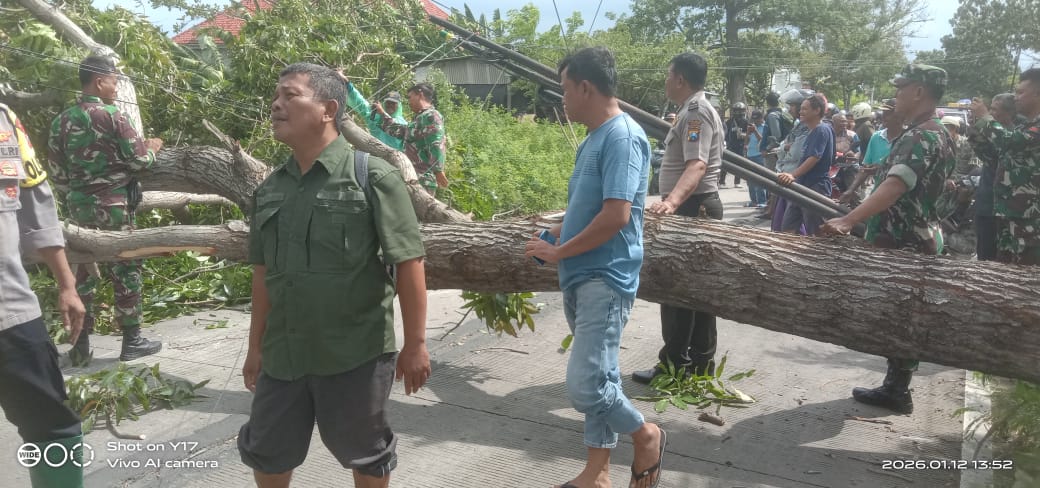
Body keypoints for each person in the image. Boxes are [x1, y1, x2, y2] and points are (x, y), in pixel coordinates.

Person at [238, 63, 430, 488]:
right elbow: (263, 273)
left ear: (328, 109)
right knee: (267, 453)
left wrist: (415, 344)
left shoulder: (373, 176)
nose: (276, 104)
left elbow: (409, 261)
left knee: (367, 455)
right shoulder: (271, 189)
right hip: (283, 355)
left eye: (290, 95)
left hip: (354, 356)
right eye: (276, 96)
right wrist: (255, 346)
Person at [524, 47, 665, 488]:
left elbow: (617, 215)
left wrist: (559, 252)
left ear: (585, 87)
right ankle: (597, 473)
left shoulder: (623, 137)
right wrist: (557, 230)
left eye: (565, 89)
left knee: (586, 385)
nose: (563, 99)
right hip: (581, 276)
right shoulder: (592, 139)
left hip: (605, 276)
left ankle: (646, 435)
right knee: (603, 377)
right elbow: (589, 207)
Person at [821, 64, 955, 414]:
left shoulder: (920, 136)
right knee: (905, 316)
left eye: (901, 88)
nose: (896, 95)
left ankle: (897, 390)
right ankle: (896, 386)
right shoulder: (938, 133)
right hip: (916, 236)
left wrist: (849, 220)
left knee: (902, 316)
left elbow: (895, 186)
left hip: (905, 242)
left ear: (919, 92)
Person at [47, 55, 163, 362]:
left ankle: (80, 345)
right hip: (115, 207)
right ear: (99, 82)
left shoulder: (61, 121)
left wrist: (79, 196)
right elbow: (139, 161)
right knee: (125, 266)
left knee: (83, 271)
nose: (116, 87)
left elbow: (57, 175)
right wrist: (152, 148)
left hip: (78, 211)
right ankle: (132, 341)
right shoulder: (114, 116)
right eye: (114, 81)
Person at [1, 103, 86, 487]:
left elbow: (36, 204)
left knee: (54, 429)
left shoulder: (4, 120)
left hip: (9, 311)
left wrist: (67, 285)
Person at [631, 52, 724, 388]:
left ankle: (675, 365)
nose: (666, 80)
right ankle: (697, 365)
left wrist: (671, 201)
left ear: (680, 79)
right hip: (696, 206)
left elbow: (697, 164)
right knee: (696, 292)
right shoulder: (691, 110)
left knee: (677, 290)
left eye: (668, 75)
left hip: (692, 208)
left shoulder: (696, 112)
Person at [968, 68, 1040, 265]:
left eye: (1021, 92)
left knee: (1025, 272)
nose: (1016, 97)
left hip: (1030, 218)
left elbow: (1010, 141)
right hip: (1009, 214)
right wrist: (977, 129)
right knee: (1002, 269)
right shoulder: (1025, 126)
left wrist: (985, 118)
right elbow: (994, 158)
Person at [374, 83, 448, 195]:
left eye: (410, 97)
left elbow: (436, 142)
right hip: (411, 177)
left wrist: (438, 170)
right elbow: (401, 131)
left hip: (423, 181)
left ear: (420, 95)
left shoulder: (432, 116)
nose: (408, 102)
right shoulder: (420, 118)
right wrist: (382, 114)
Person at [777, 94, 833, 236]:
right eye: (801, 108)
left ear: (817, 110)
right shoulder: (812, 131)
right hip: (802, 185)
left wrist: (792, 175)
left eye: (805, 109)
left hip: (815, 186)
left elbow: (814, 157)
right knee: (788, 227)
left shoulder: (821, 129)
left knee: (816, 231)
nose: (800, 112)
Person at [972, 93, 1016, 261]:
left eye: (994, 110)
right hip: (986, 203)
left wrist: (984, 118)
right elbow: (983, 154)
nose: (990, 113)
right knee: (984, 253)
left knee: (994, 259)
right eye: (989, 109)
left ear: (1008, 113)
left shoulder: (1011, 137)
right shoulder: (993, 134)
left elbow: (1000, 153)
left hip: (1000, 209)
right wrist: (979, 123)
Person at [840, 99, 903, 205]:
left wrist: (882, 168)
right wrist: (851, 190)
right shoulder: (876, 137)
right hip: (877, 196)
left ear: (900, 115)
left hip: (900, 200)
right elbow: (866, 168)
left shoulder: (908, 138)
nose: (883, 117)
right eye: (883, 113)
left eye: (888, 114)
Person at [771, 88, 813, 231]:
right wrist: (784, 148)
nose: (790, 109)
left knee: (794, 226)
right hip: (786, 177)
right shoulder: (798, 126)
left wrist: (785, 148)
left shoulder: (811, 129)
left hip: (796, 180)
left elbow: (795, 152)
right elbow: (784, 147)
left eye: (793, 106)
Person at [335, 70, 407, 150]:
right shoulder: (375, 117)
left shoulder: (402, 123)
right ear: (384, 103)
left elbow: (394, 126)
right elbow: (360, 102)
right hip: (374, 154)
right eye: (388, 102)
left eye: (393, 103)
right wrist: (347, 82)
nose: (390, 105)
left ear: (399, 105)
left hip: (395, 157)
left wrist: (382, 113)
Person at [745, 110, 768, 207]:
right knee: (750, 180)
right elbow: (746, 142)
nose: (755, 121)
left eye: (757, 119)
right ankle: (753, 201)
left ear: (761, 118)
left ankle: (762, 201)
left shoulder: (765, 127)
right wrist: (748, 132)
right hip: (750, 155)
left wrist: (755, 131)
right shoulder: (752, 127)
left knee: (760, 180)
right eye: (754, 119)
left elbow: (762, 141)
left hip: (759, 155)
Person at [721, 102, 747, 188]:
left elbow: (749, 134)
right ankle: (721, 182)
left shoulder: (745, 122)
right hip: (731, 146)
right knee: (726, 164)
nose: (738, 113)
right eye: (736, 111)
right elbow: (725, 133)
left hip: (741, 146)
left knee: (739, 164)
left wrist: (743, 135)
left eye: (740, 111)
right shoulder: (729, 122)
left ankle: (737, 182)